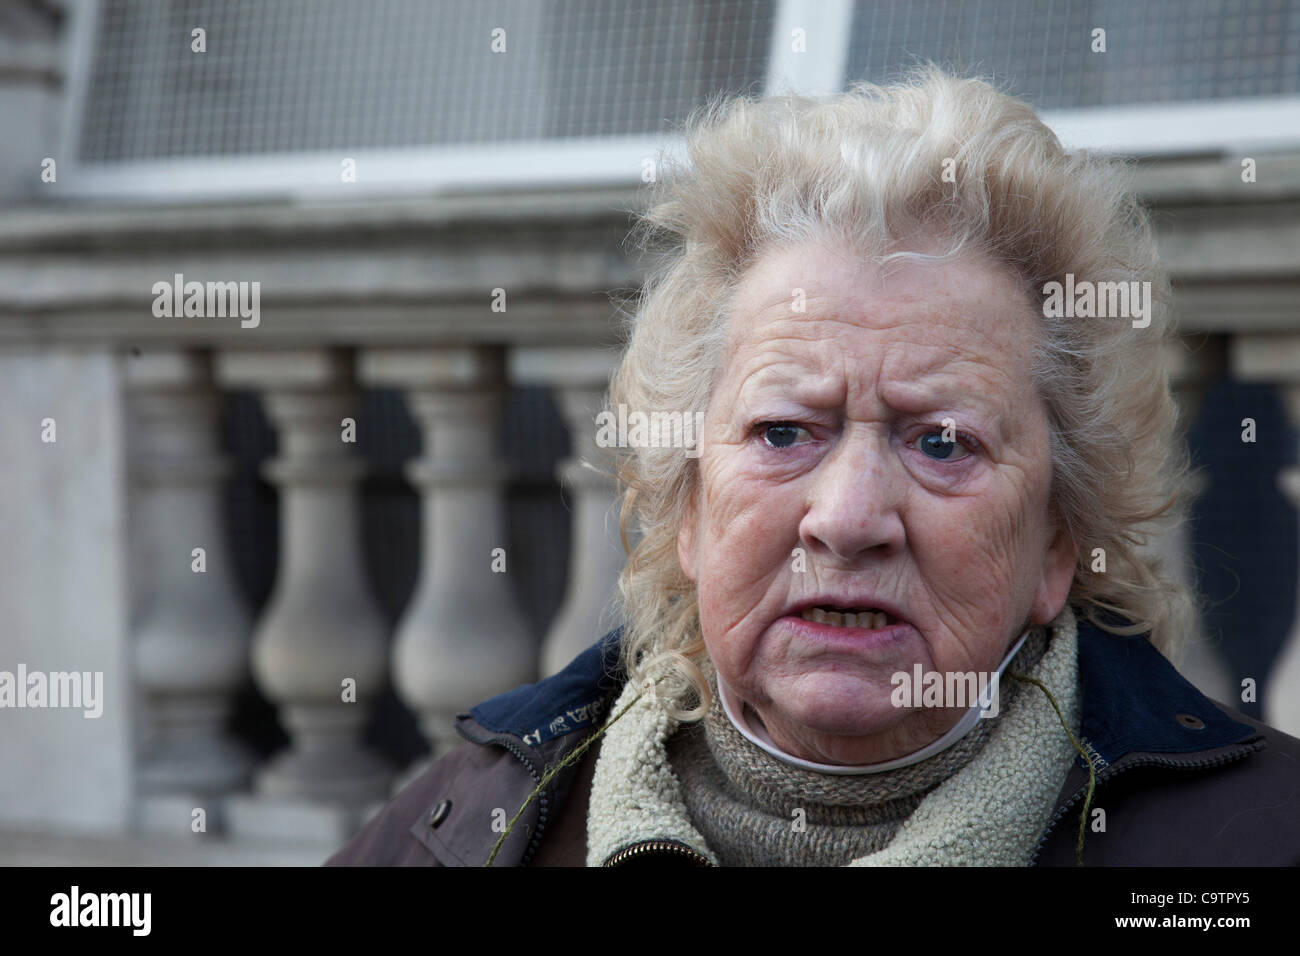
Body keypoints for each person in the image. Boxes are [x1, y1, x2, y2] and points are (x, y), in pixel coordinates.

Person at [326, 66, 1300, 867]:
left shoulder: (1255, 844)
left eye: (941, 441)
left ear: (1056, 538)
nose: (846, 517)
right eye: (786, 431)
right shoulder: (456, 828)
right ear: (690, 510)